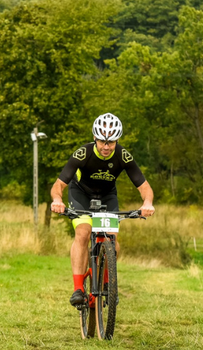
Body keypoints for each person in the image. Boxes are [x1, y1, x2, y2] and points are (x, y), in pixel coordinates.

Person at [49, 113, 155, 308]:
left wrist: (147, 203)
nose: (106, 147)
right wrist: (57, 200)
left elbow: (145, 188)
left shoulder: (123, 156)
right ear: (95, 138)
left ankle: (109, 283)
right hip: (80, 194)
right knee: (82, 232)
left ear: (117, 140)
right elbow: (58, 185)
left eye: (111, 142)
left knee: (112, 240)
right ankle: (78, 288)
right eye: (102, 141)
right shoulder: (83, 153)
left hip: (107, 196)